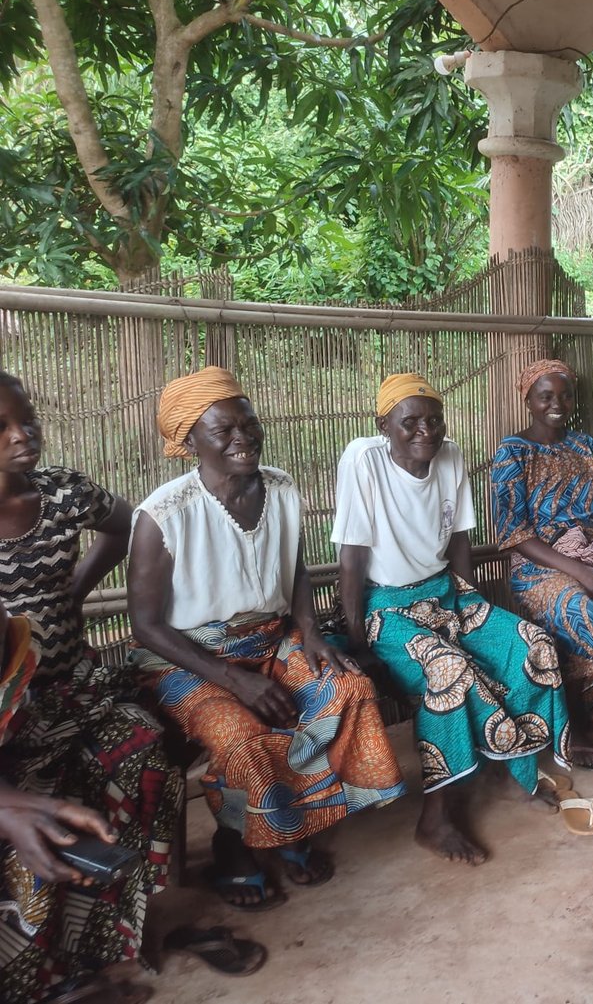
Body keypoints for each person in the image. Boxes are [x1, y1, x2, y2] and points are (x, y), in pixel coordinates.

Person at [129, 367, 406, 912]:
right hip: (187, 658)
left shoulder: (279, 487)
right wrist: (233, 680)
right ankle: (234, 846)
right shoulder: (162, 515)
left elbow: (294, 567)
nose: (244, 438)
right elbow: (147, 627)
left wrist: (310, 631)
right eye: (224, 430)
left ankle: (291, 824)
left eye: (250, 424)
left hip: (270, 639)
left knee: (346, 689)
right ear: (189, 442)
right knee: (243, 735)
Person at [334, 373, 577, 863]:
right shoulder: (364, 459)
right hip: (388, 608)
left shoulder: (451, 454)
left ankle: (518, 768)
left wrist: (471, 606)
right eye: (410, 422)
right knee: (449, 672)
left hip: (448, 594)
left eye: (433, 419)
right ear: (383, 425)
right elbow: (352, 556)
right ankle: (435, 816)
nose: (425, 430)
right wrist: (357, 640)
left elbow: (461, 540)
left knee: (533, 643)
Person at [0, 373, 184, 1003]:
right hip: (7, 718)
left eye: (27, 420)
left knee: (143, 752)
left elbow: (132, 525)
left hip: (73, 686)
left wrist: (73, 589)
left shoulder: (61, 492)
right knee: (37, 805)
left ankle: (123, 931)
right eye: (2, 428)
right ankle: (46, 973)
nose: (23, 436)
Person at [492, 360, 593, 763]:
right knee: (577, 609)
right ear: (527, 400)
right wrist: (579, 570)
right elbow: (515, 534)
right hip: (541, 568)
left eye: (564, 395)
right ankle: (575, 723)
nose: (556, 403)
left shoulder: (585, 446)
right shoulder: (513, 453)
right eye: (545, 396)